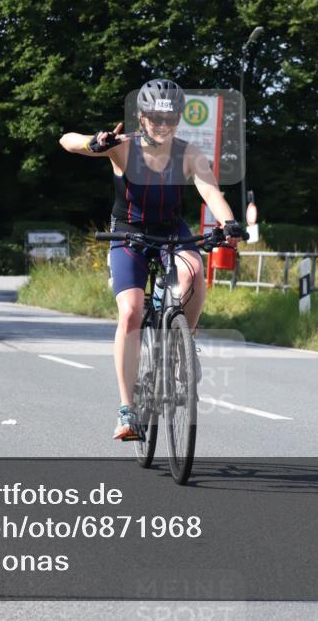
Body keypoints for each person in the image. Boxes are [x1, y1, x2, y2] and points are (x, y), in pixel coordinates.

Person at [59, 78, 244, 440]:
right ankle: (127, 410)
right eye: (155, 118)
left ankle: (184, 345)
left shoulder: (189, 154)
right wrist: (93, 142)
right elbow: (67, 140)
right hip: (128, 233)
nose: (162, 125)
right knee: (131, 312)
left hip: (171, 231)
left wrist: (229, 223)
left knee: (194, 272)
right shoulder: (122, 147)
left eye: (170, 119)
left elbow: (210, 191)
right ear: (142, 118)